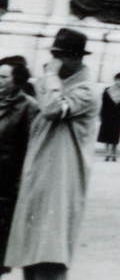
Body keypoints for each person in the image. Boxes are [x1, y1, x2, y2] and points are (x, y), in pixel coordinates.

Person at [3, 28, 99, 280]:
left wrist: (50, 76)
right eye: (53, 55)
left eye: (59, 55)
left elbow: (53, 109)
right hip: (37, 180)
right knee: (30, 257)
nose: (53, 61)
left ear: (76, 58)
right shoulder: (52, 85)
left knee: (50, 256)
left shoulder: (86, 90)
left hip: (61, 183)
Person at [0, 57, 39, 273]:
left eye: (3, 77)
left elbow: (31, 150)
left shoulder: (28, 107)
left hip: (5, 190)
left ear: (18, 80)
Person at [95, 75, 120, 163]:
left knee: (115, 137)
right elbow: (104, 104)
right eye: (117, 80)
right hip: (108, 116)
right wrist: (101, 115)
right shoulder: (107, 91)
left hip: (118, 117)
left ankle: (113, 154)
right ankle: (107, 154)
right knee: (107, 136)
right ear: (115, 80)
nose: (119, 82)